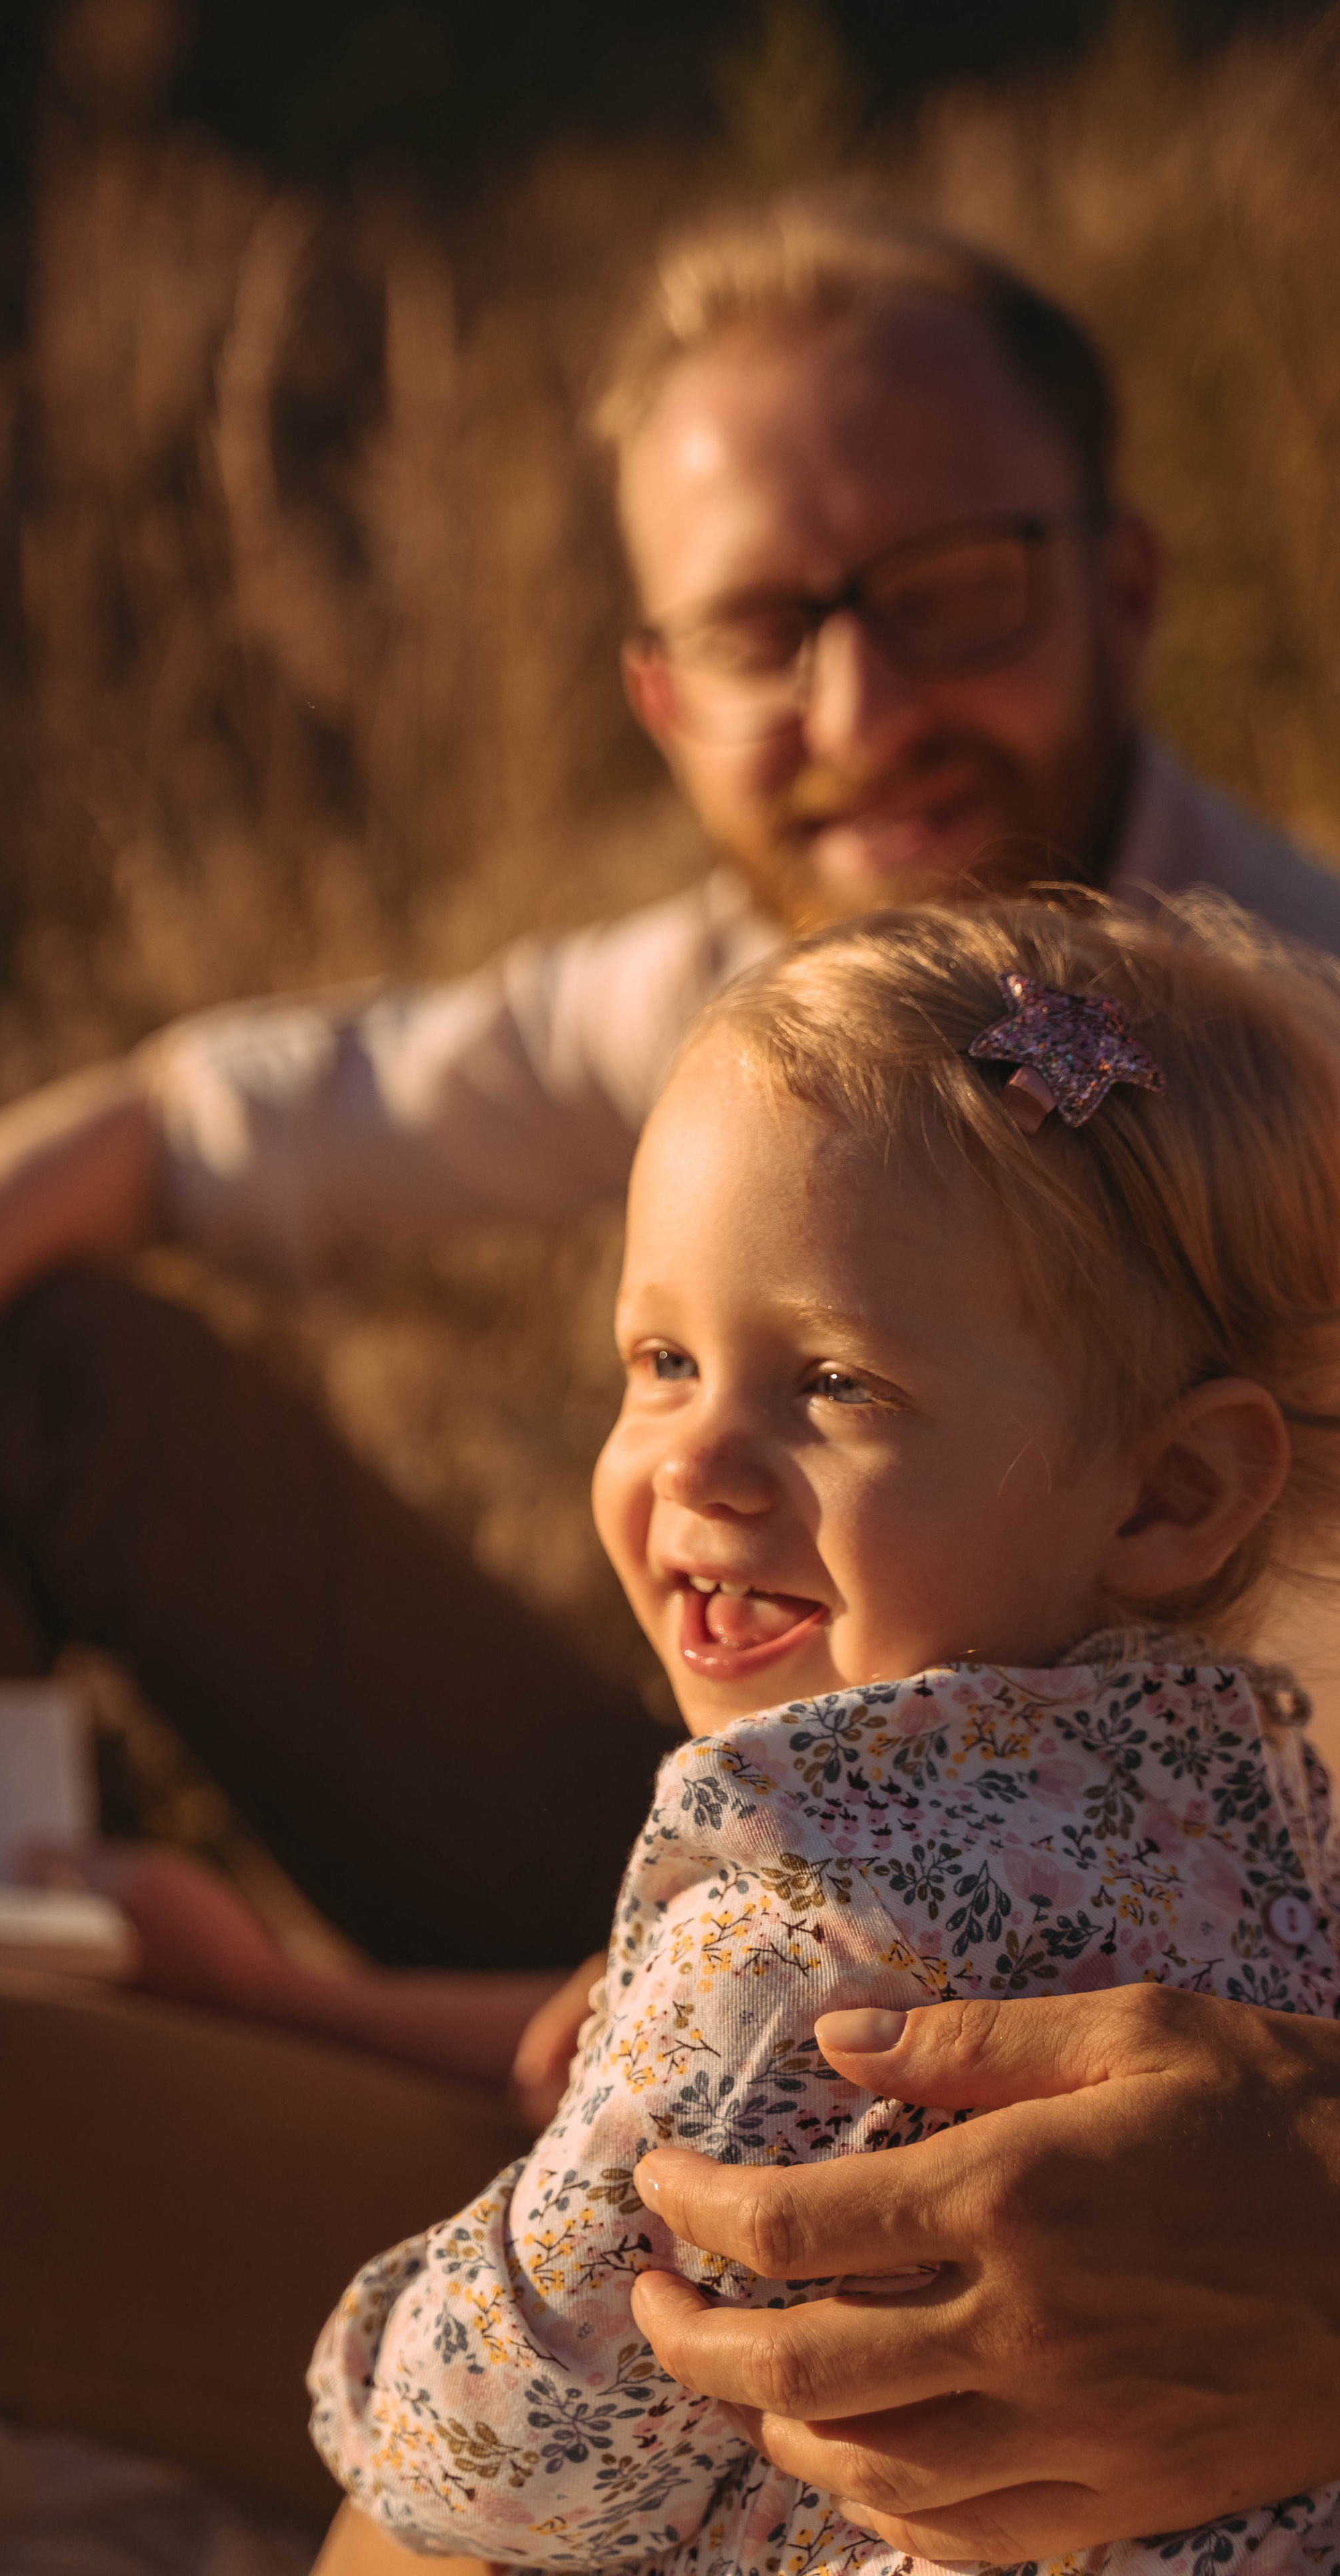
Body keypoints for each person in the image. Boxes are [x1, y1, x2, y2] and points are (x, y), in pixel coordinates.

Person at [0, 198, 1339, 2526]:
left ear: (1118, 584)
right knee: (33, 1387)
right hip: (756, 1871)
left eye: (952, 595)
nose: (860, 710)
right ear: (661, 687)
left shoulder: (1257, 1104)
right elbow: (165, 1124)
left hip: (1066, 2156)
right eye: (766, 626)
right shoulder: (772, 1011)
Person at [309, 892, 1340, 2572]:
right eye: (658, 1359)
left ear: (1170, 1491)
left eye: (833, 1384)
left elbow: (505, 2446)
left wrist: (376, 2363)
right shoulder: (1271, 1807)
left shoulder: (803, 1928)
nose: (692, 1463)